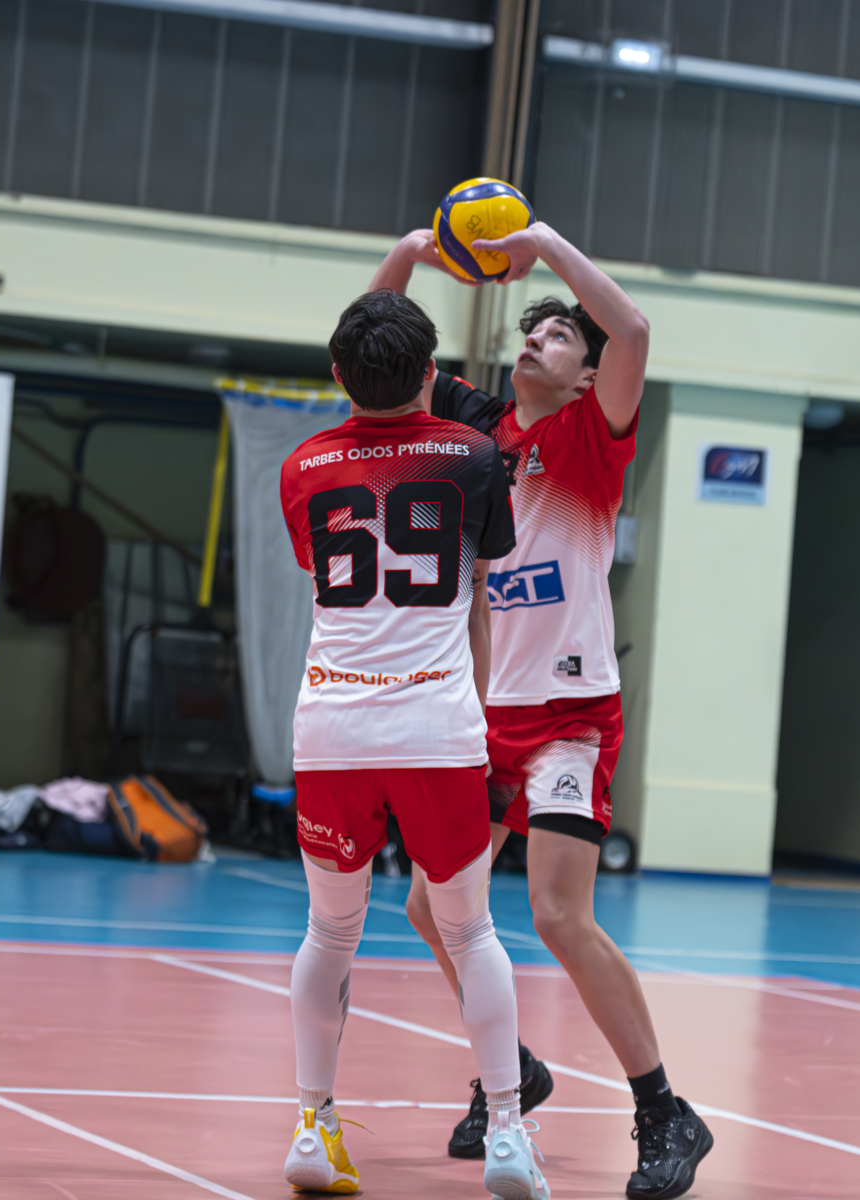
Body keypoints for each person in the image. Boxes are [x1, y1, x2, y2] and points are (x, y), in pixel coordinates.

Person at [367, 222, 714, 1200]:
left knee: (558, 913)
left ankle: (665, 1112)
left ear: (585, 377)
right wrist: (412, 253)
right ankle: (512, 1070)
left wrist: (543, 241)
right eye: (533, 330)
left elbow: (633, 330)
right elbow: (374, 350)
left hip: (570, 712)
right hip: (485, 715)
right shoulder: (482, 432)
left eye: (560, 337)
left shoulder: (592, 434)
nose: (537, 340)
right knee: (430, 906)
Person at [279, 288, 550, 1199]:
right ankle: (506, 1134)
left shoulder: (303, 466)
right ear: (432, 372)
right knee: (471, 931)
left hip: (334, 726)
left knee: (329, 931)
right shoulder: (475, 457)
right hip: (437, 727)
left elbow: (324, 568)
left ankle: (313, 1127)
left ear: (337, 375)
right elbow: (480, 584)